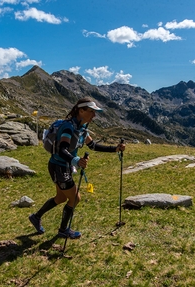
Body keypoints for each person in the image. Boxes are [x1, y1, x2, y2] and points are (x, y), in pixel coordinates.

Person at [29, 97, 126, 239]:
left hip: (63, 166)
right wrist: (76, 161)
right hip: (59, 166)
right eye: (91, 112)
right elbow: (62, 149)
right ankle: (63, 230)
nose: (94, 115)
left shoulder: (82, 128)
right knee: (75, 198)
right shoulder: (69, 127)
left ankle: (36, 217)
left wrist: (115, 149)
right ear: (81, 110)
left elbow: (93, 146)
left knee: (61, 197)